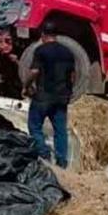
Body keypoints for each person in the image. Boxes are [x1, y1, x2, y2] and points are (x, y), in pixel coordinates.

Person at [22, 21, 75, 168]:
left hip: (43, 97)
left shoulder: (41, 50)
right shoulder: (68, 52)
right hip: (61, 98)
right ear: (56, 35)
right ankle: (62, 162)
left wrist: (26, 86)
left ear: (43, 35)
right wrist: (68, 91)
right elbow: (72, 76)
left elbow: (34, 72)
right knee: (60, 131)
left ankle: (44, 153)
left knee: (34, 126)